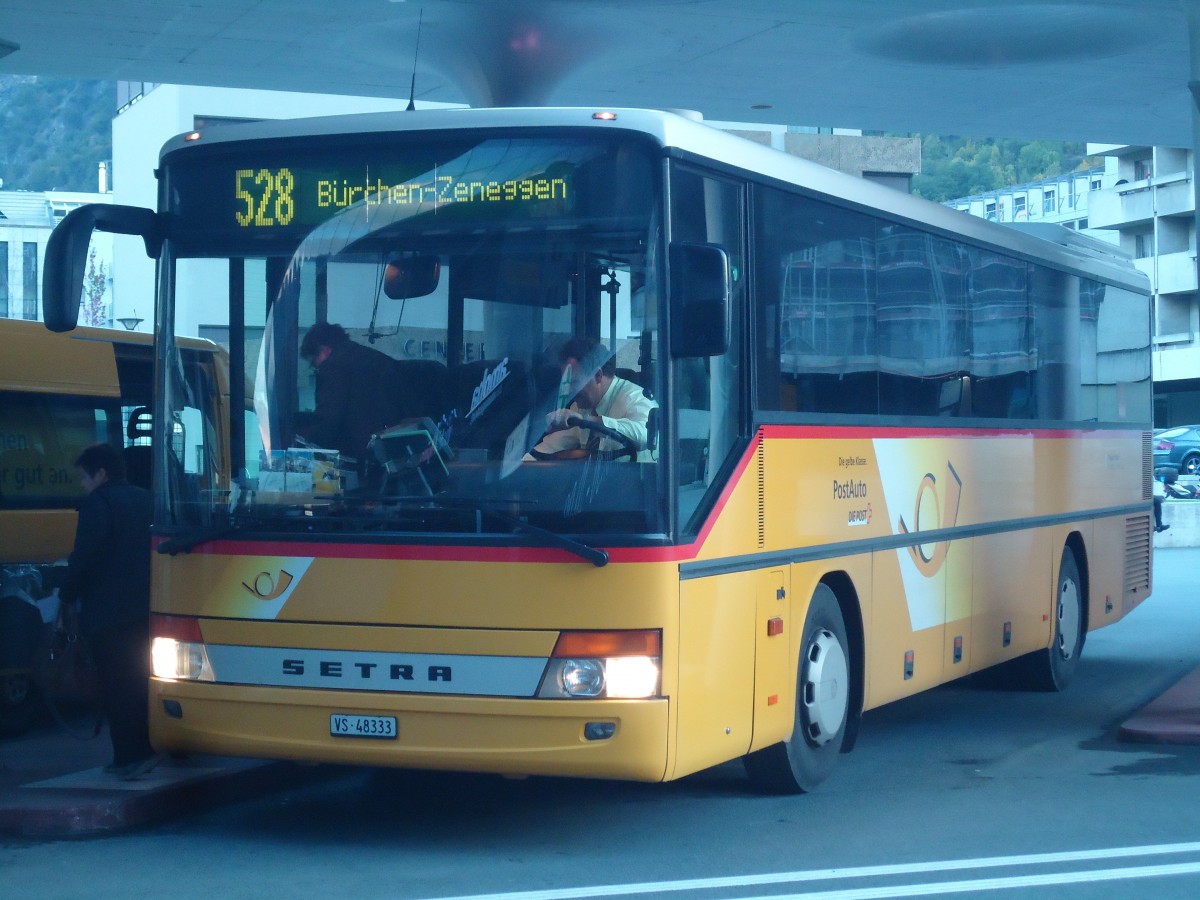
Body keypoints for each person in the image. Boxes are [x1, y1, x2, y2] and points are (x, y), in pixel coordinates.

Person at [59, 443, 159, 780]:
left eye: (84, 477)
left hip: (108, 613)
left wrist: (66, 593)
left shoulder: (98, 503)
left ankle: (130, 756)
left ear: (101, 474)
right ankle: (143, 748)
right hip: (146, 609)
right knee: (141, 680)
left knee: (117, 686)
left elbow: (86, 556)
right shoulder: (148, 500)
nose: (83, 484)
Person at [527, 337, 655, 459]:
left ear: (598, 375)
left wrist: (588, 421)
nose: (569, 391)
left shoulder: (634, 398)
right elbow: (549, 447)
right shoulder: (581, 406)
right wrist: (523, 464)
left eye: (574, 383)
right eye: (566, 384)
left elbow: (648, 436)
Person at [299, 322, 406, 468]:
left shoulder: (333, 368)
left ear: (324, 350)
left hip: (358, 456)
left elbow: (329, 416)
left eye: (313, 362)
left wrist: (308, 449)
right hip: (392, 450)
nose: (316, 367)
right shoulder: (378, 359)